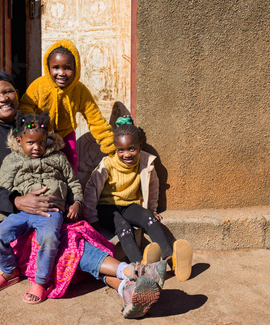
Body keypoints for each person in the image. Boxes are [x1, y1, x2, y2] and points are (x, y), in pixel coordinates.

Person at [0, 70, 163, 318]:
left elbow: (61, 170)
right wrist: (16, 201)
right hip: (2, 209)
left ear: (17, 94)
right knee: (55, 247)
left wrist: (69, 202)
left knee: (70, 238)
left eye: (8, 91)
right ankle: (130, 275)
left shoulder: (35, 125)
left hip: (50, 205)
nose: (3, 98)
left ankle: (126, 286)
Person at [83, 116, 194, 281]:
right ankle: (140, 265)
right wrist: (92, 219)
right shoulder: (108, 164)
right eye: (121, 150)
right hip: (107, 207)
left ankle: (172, 260)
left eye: (131, 149)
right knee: (124, 228)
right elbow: (91, 190)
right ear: (116, 148)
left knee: (149, 218)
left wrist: (151, 209)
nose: (126, 154)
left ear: (140, 145)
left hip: (129, 206)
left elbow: (153, 185)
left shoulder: (146, 161)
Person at [0, 110, 83, 303]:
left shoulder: (58, 158)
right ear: (18, 141)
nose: (36, 148)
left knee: (49, 238)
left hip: (51, 211)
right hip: (23, 211)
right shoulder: (12, 161)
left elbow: (73, 182)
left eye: (41, 142)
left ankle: (41, 282)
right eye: (30, 143)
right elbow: (3, 188)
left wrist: (76, 202)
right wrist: (0, 217)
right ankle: (9, 271)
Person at [19, 39, 115, 174]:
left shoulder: (80, 90)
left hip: (66, 135)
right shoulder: (38, 86)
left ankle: (71, 194)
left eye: (67, 68)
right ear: (48, 67)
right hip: (40, 135)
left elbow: (95, 119)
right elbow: (25, 105)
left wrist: (110, 145)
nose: (61, 73)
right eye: (56, 67)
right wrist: (34, 123)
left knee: (70, 167)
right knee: (40, 168)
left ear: (76, 68)